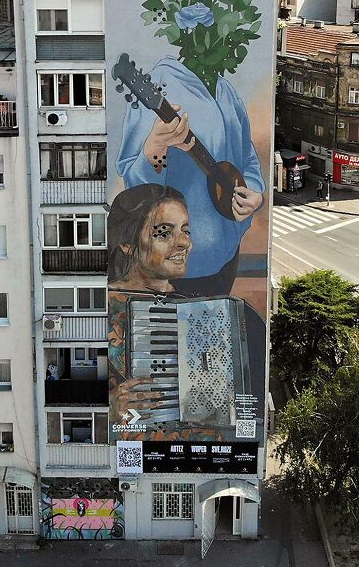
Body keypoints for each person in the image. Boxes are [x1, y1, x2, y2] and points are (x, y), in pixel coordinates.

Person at [106, 184, 263, 433]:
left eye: (186, 231)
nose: (184, 243)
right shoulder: (98, 309)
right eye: (164, 233)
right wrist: (110, 406)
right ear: (127, 243)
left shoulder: (206, 309)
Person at [116, 56, 265, 285]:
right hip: (172, 266)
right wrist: (156, 148)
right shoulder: (160, 83)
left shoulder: (227, 92)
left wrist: (254, 194)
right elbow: (135, 185)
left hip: (227, 257)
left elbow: (247, 157)